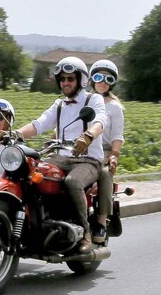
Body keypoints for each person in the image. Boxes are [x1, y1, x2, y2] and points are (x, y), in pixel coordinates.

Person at [11, 56, 107, 252]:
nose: (65, 83)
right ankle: (37, 223)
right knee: (31, 173)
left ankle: (85, 233)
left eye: (70, 79)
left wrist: (88, 135)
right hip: (60, 157)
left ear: (81, 80)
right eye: (62, 79)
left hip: (87, 160)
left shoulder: (93, 99)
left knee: (72, 182)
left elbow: (100, 120)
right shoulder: (60, 105)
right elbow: (40, 123)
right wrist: (16, 134)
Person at [89, 59, 125, 243]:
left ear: (112, 82)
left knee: (104, 175)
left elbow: (117, 135)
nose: (102, 81)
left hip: (103, 153)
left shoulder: (114, 107)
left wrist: (113, 156)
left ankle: (102, 223)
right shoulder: (85, 100)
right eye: (98, 76)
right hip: (81, 150)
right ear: (91, 79)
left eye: (107, 78)